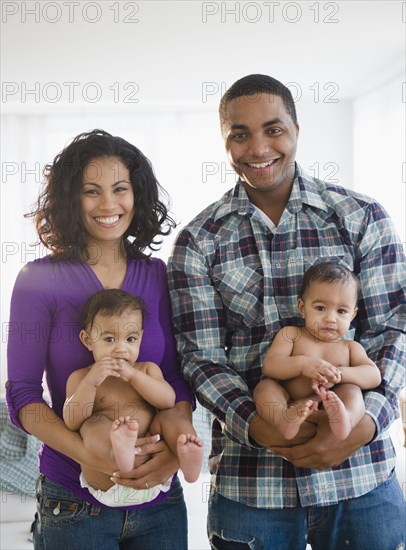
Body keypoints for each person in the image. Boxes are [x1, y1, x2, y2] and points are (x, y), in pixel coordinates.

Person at [167, 74, 406, 549]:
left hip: (362, 480)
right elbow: (201, 358)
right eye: (240, 134)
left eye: (273, 129)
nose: (258, 148)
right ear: (224, 141)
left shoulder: (362, 216)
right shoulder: (198, 242)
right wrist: (259, 426)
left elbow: (393, 329)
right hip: (253, 489)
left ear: (297, 128)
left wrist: (364, 424)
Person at [6, 129, 195, 549]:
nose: (109, 205)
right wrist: (89, 454)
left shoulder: (157, 275)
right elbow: (22, 395)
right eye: (92, 191)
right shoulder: (38, 280)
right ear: (71, 198)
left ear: (137, 195)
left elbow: (175, 380)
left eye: (120, 189)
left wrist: (169, 456)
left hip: (160, 501)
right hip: (73, 504)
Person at [63, 288, 203, 507]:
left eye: (130, 339)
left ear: (141, 338)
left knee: (171, 416)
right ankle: (119, 451)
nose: (121, 348)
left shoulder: (146, 370)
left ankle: (187, 455)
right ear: (88, 340)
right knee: (93, 424)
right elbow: (72, 421)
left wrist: (134, 376)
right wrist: (91, 382)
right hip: (106, 478)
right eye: (109, 339)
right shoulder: (81, 377)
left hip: (154, 472)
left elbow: (168, 400)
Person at [254, 262, 381, 441]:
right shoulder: (291, 334)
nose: (330, 318)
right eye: (320, 308)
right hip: (292, 404)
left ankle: (347, 420)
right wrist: (303, 364)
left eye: (342, 311)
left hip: (331, 404)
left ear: (352, 315)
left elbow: (373, 376)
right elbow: (271, 366)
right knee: (265, 387)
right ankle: (282, 420)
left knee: (351, 390)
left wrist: (339, 374)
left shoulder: (350, 347)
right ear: (302, 307)